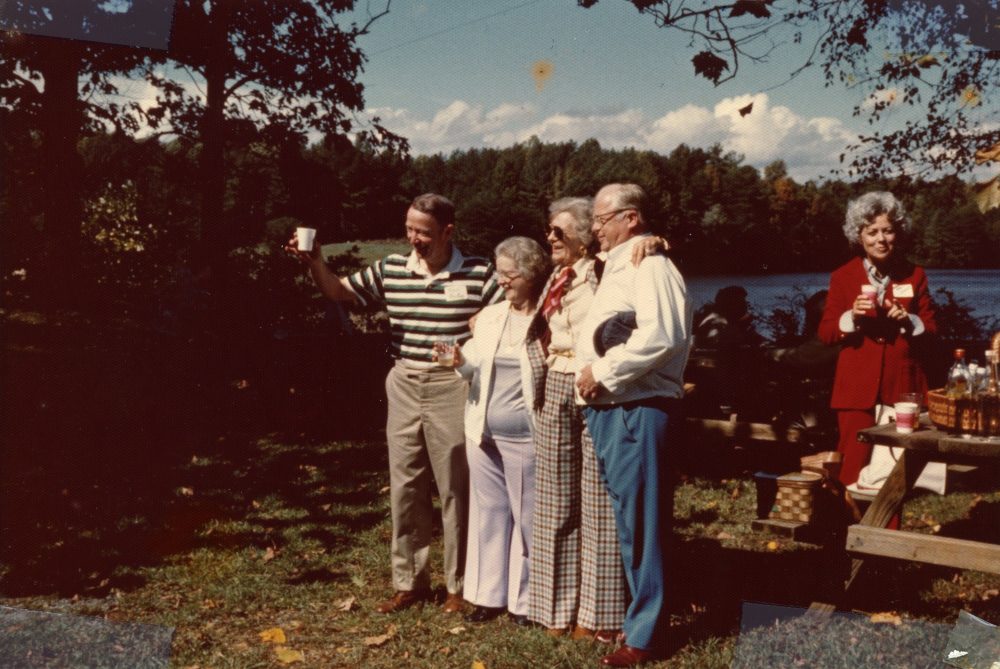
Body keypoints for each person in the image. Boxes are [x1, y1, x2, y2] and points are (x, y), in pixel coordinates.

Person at [288, 193, 500, 614]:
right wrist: (314, 261)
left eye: (423, 232)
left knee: (455, 487)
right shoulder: (391, 269)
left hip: (453, 384)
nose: (413, 239)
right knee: (405, 486)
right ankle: (410, 583)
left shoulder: (480, 272)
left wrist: (484, 329)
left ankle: (459, 585)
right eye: (409, 229)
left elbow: (511, 314)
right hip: (404, 381)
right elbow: (338, 292)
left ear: (448, 232)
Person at [575, 184, 692, 667]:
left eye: (601, 220)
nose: (594, 229)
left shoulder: (651, 265)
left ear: (631, 218)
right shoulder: (620, 263)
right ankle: (640, 621)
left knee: (644, 524)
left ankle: (645, 637)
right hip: (615, 408)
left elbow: (664, 335)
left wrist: (602, 371)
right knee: (632, 522)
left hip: (636, 408)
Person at [527, 198, 628, 643]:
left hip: (594, 388)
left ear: (585, 237)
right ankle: (555, 608)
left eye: (559, 232)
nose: (550, 238)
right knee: (554, 500)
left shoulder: (607, 270)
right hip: (554, 382)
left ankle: (598, 615)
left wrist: (654, 242)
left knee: (598, 501)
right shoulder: (556, 276)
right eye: (548, 230)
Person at [443, 237, 550, 625]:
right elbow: (473, 364)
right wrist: (459, 360)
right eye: (499, 273)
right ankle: (488, 596)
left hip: (525, 435)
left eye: (510, 274)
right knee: (488, 514)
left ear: (531, 274)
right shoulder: (490, 316)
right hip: (482, 432)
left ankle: (526, 602)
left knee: (527, 518)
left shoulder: (548, 318)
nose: (502, 281)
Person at [817, 191, 938, 491]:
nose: (881, 239)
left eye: (888, 231)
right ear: (859, 236)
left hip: (903, 389)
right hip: (855, 390)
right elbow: (826, 332)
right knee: (851, 469)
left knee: (895, 472)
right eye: (872, 232)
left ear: (898, 233)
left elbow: (933, 331)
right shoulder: (842, 276)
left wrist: (909, 321)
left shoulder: (915, 275)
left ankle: (888, 522)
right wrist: (852, 317)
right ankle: (845, 521)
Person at [692, 285, 765, 417]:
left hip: (719, 375)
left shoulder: (724, 321)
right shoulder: (717, 323)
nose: (745, 305)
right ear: (730, 303)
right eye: (741, 302)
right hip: (716, 379)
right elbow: (729, 349)